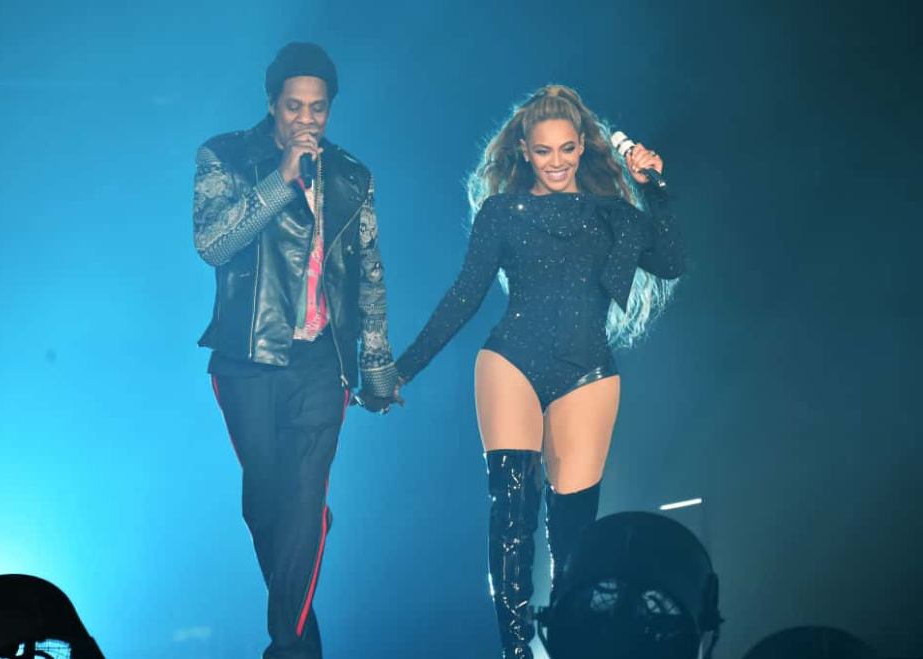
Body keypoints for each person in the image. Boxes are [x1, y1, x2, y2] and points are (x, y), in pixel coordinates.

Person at [394, 84, 685, 658]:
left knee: (575, 533)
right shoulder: (501, 212)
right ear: (523, 150)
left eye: (567, 149)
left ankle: (570, 646)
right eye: (544, 150)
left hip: (588, 372)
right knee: (511, 515)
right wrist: (402, 370)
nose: (557, 162)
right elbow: (464, 297)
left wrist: (657, 191)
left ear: (584, 148)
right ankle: (516, 651)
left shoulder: (614, 215)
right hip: (511, 361)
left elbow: (671, 262)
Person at [192, 42, 400, 659]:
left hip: (320, 363)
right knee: (267, 503)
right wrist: (279, 180)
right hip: (246, 360)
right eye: (293, 107)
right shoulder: (224, 155)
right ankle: (304, 621)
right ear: (272, 104)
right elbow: (212, 243)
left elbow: (369, 272)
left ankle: (286, 646)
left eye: (317, 109)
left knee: (305, 498)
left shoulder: (353, 176)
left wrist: (378, 365)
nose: (305, 120)